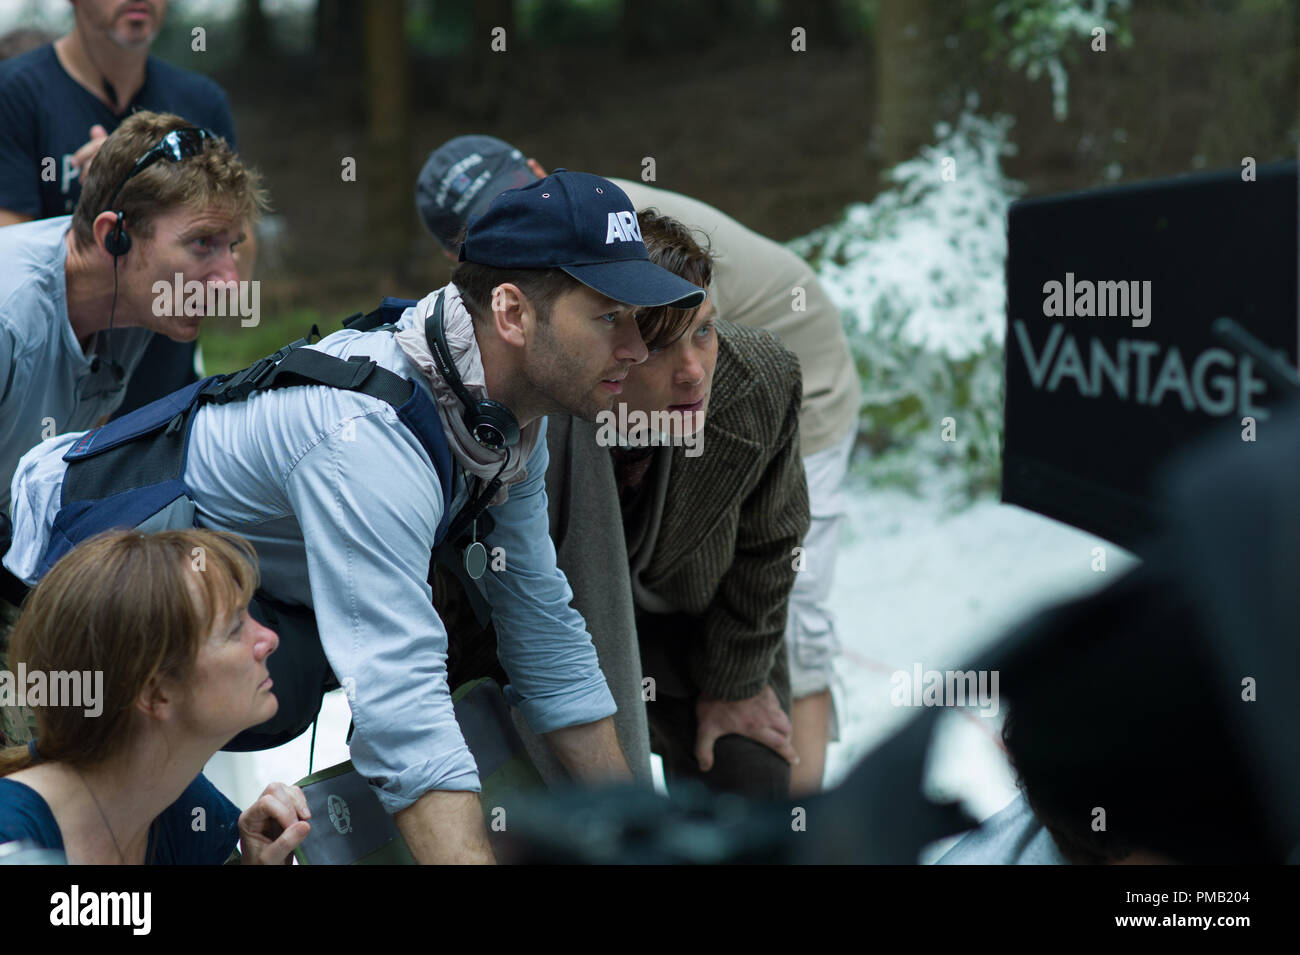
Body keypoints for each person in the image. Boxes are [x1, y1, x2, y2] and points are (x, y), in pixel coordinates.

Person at [5, 170, 706, 863]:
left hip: (212, 623)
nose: (638, 349)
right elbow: (403, 710)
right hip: (58, 583)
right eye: (609, 317)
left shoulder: (500, 413)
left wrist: (644, 836)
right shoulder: (368, 439)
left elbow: (544, 628)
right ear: (513, 313)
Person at [418, 135, 859, 792]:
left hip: (698, 589)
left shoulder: (737, 368)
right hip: (564, 622)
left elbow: (771, 546)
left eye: (705, 335)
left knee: (770, 709)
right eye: (658, 347)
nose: (692, 372)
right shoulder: (529, 390)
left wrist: (734, 685)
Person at [0, 110, 263, 620]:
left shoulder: (135, 298)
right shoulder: (11, 315)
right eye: (202, 243)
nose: (231, 284)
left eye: (230, 246)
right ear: (112, 236)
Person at [0, 0, 251, 415]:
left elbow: (238, 263)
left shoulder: (201, 100)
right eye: (202, 240)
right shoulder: (15, 93)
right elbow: (12, 256)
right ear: (112, 234)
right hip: (39, 391)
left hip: (161, 392)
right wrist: (114, 184)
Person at [0, 529, 310, 865]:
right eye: (234, 629)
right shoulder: (11, 837)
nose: (269, 639)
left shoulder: (183, 807)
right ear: (155, 693)